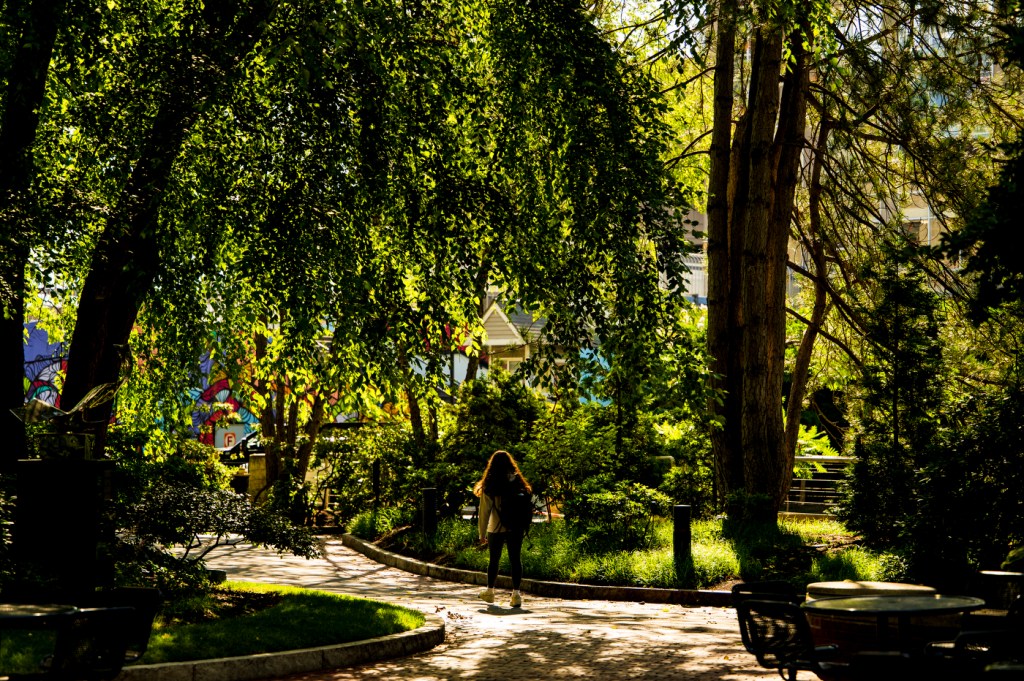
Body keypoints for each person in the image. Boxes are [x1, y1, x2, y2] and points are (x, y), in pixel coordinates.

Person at [473, 449, 532, 607]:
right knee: (515, 559)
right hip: (516, 527)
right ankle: (516, 594)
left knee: (494, 560)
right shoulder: (517, 481)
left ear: (492, 465)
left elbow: (484, 512)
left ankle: (490, 592)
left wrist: (482, 534)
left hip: (496, 527)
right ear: (510, 463)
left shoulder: (491, 484)